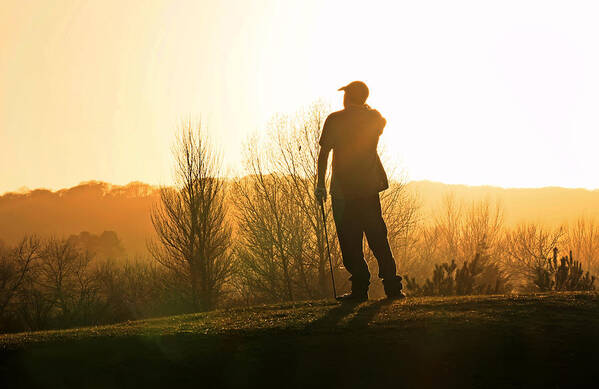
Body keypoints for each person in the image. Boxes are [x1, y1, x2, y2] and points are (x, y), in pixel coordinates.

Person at [315, 81, 405, 302]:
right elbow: (381, 121)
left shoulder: (334, 120)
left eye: (345, 94)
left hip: (342, 192)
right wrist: (364, 108)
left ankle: (359, 290)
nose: (342, 98)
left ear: (349, 97)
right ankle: (392, 288)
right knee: (378, 238)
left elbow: (324, 154)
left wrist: (320, 185)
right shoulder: (373, 118)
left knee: (349, 240)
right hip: (367, 189)